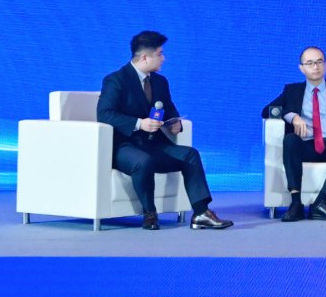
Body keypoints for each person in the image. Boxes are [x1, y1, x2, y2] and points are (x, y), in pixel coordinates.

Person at [95, 30, 232, 230]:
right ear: (144, 57)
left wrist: (174, 123)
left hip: (154, 144)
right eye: (160, 54)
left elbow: (169, 109)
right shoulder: (116, 80)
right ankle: (149, 213)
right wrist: (139, 123)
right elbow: (104, 114)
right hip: (125, 146)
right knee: (143, 161)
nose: (163, 58)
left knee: (190, 155)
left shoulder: (160, 82)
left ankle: (201, 213)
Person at [263, 45, 326, 221]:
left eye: (319, 62)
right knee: (290, 140)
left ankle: (320, 203)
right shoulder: (292, 91)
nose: (315, 67)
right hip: (305, 145)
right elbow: (267, 111)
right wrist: (292, 116)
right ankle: (296, 204)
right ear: (301, 68)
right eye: (309, 63)